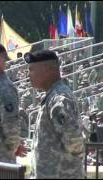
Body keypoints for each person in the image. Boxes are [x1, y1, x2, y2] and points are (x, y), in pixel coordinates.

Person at [24, 50, 84, 178]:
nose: (28, 75)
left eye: (32, 69)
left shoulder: (59, 98)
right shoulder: (53, 96)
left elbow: (74, 141)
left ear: (48, 69)